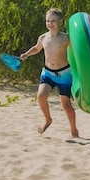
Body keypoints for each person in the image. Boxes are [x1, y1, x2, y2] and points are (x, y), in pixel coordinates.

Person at [20, 8, 79, 138]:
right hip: (48, 73)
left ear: (60, 22)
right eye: (47, 21)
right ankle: (48, 119)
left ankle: (74, 129)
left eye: (53, 21)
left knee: (66, 105)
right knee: (41, 96)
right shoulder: (43, 38)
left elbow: (78, 51)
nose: (50, 23)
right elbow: (36, 48)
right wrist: (27, 54)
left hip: (64, 74)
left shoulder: (66, 38)